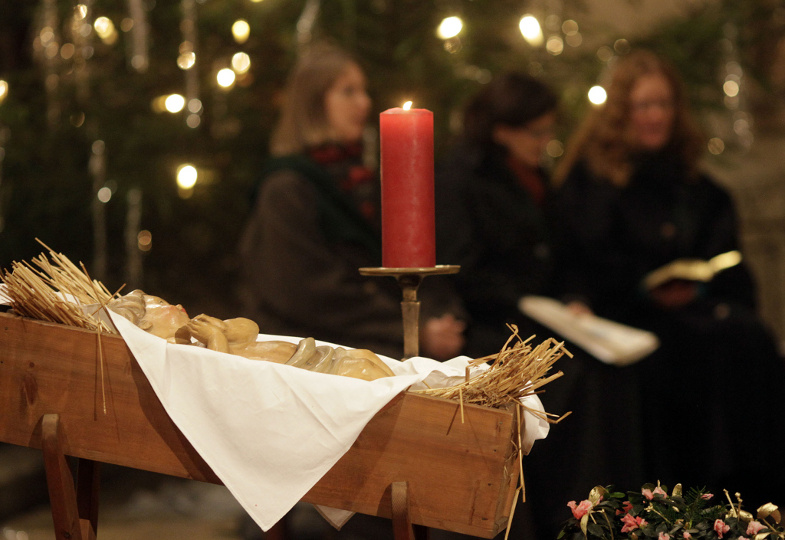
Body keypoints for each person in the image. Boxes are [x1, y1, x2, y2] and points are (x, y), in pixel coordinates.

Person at [543, 48, 785, 531]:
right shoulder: (591, 182)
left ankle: (754, 502)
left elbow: (728, 261)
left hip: (697, 309)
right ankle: (689, 504)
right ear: (621, 112)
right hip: (627, 317)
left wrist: (697, 288)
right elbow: (580, 263)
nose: (656, 116)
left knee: (747, 335)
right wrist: (642, 288)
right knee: (681, 351)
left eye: (664, 105)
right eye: (644, 105)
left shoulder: (698, 185)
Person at [237, 42, 465, 363]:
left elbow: (411, 250)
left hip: (374, 341)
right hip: (317, 352)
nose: (365, 103)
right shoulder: (286, 187)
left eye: (364, 91)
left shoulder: (360, 180)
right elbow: (308, 291)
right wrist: (412, 329)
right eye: (348, 91)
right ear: (313, 103)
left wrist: (440, 315)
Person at [434, 72, 559, 358]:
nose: (546, 141)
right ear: (502, 131)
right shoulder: (461, 179)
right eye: (536, 133)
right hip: (490, 326)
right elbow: (459, 268)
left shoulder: (535, 177)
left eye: (549, 131)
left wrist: (572, 299)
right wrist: (525, 299)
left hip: (537, 313)